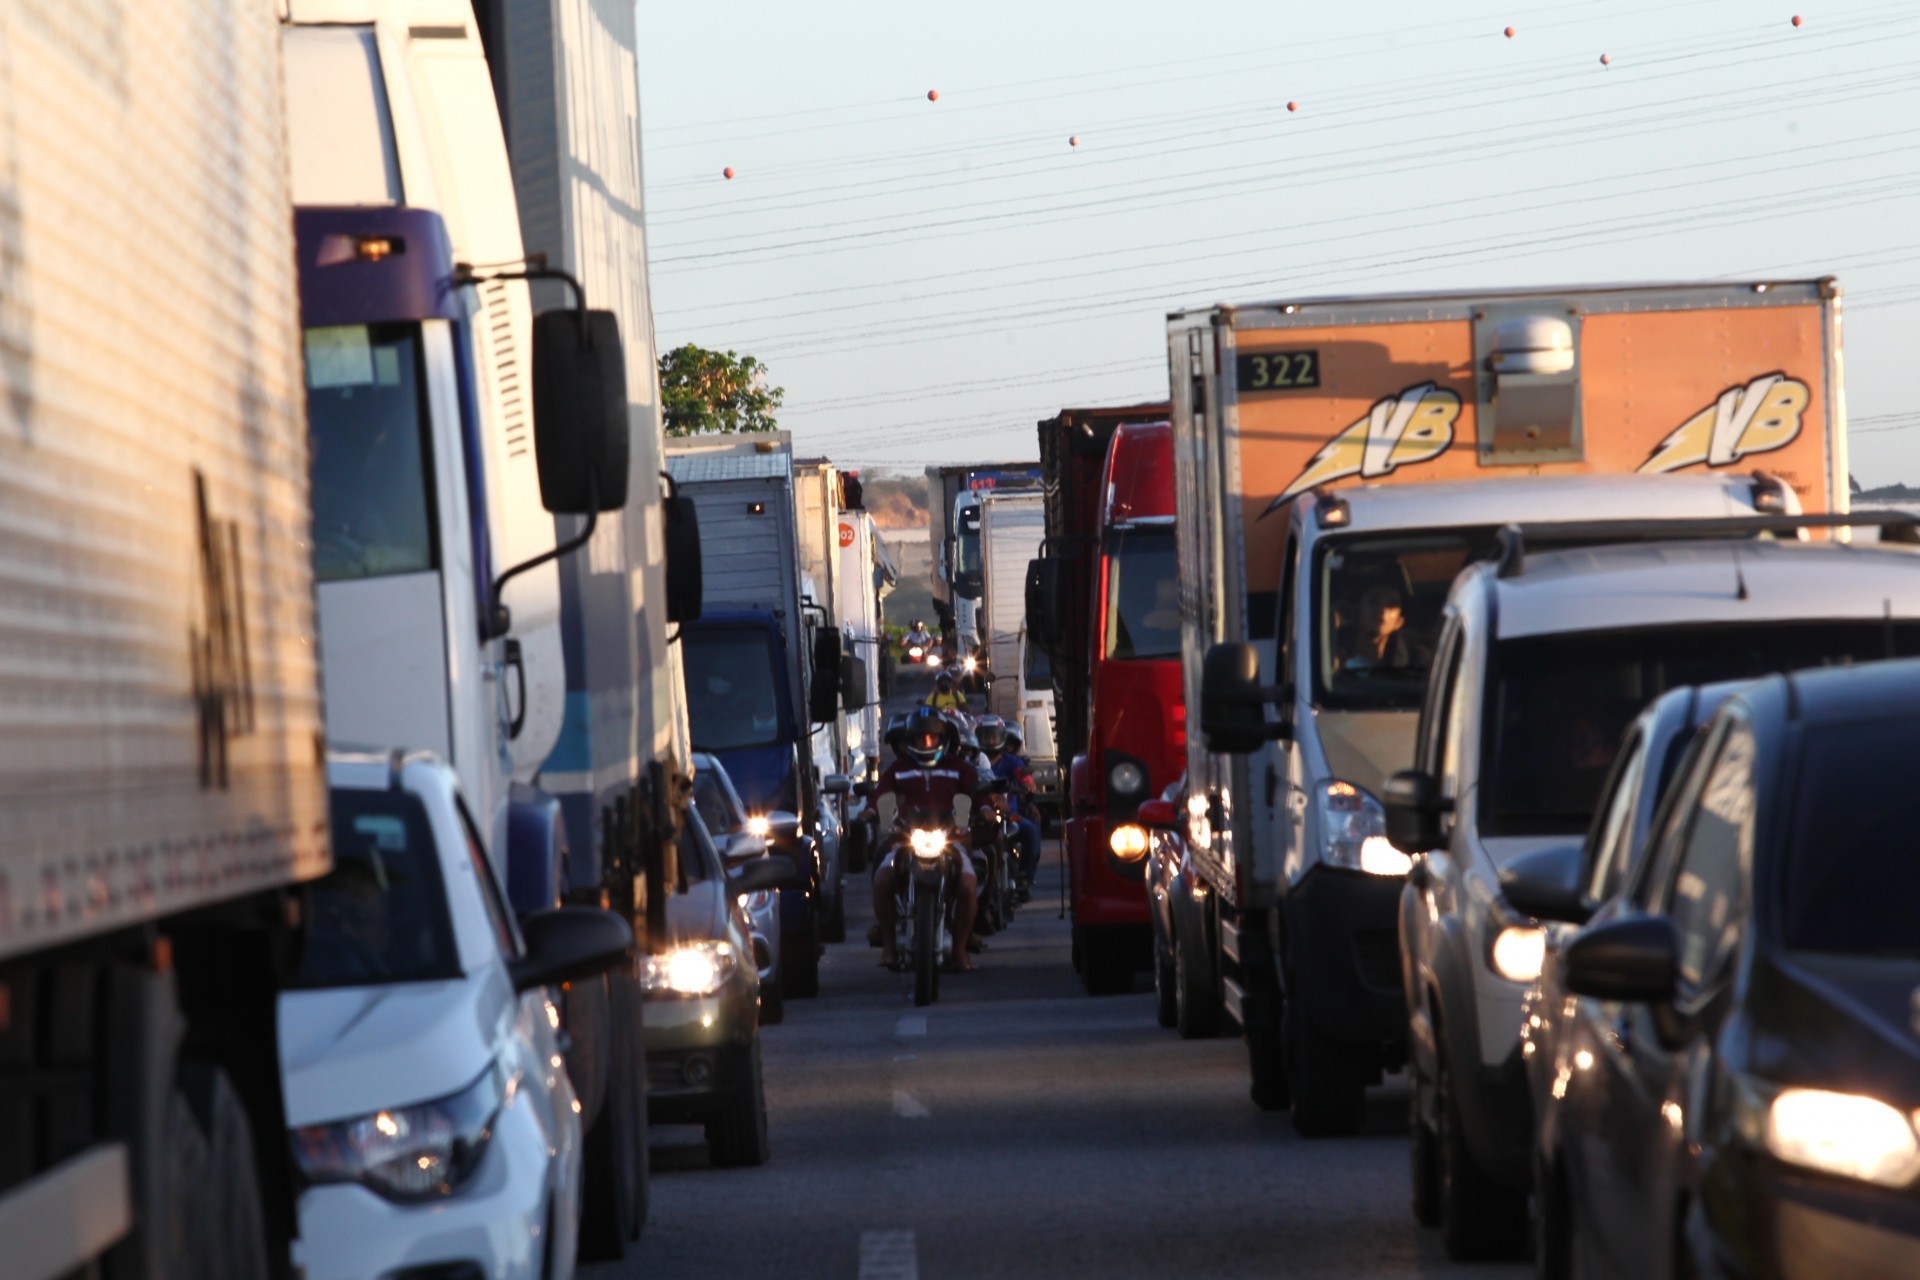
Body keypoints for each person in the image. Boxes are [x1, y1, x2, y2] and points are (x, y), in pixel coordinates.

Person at [871, 707, 989, 971]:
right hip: (906, 839)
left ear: (943, 739)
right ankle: (889, 947)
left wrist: (986, 809)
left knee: (969, 885)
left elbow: (978, 794)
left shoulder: (960, 768)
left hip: (951, 841)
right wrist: (871, 810)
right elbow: (880, 793)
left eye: (932, 738)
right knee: (881, 878)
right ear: (909, 740)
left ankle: (960, 951)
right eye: (920, 737)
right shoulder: (899, 769)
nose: (926, 742)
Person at [977, 716, 1042, 901]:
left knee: (1030, 832)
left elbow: (1024, 777)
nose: (990, 741)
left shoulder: (1012, 761)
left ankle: (1025, 878)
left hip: (1009, 816)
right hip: (982, 816)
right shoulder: (976, 760)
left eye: (994, 736)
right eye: (986, 736)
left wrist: (1028, 785)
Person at [1337, 580, 1414, 670]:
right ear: (1357, 610)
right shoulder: (1330, 656)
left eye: (1392, 604)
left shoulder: (1410, 664)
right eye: (1374, 601)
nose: (1382, 609)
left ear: (1399, 622)